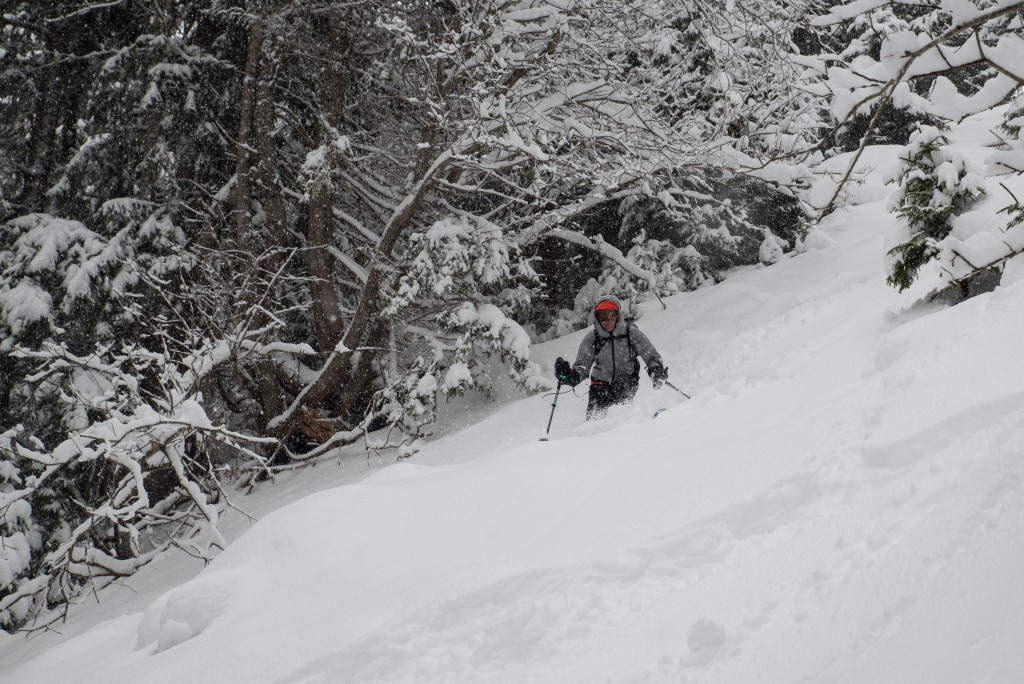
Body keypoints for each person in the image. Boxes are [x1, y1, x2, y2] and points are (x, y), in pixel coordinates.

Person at [554, 294, 668, 420]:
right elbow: (582, 364)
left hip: (626, 381)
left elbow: (649, 353)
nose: (607, 321)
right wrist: (570, 376)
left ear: (617, 315)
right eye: (602, 317)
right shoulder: (593, 337)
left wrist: (655, 368)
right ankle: (592, 432)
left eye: (610, 316)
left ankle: (628, 423)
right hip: (599, 384)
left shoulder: (630, 332)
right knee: (594, 420)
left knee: (619, 413)